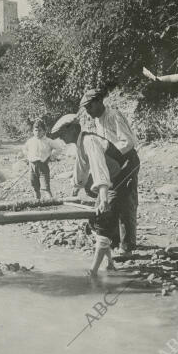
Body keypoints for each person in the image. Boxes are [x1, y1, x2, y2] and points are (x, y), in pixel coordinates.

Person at [51, 114, 137, 277]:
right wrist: (75, 187)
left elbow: (99, 169)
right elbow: (82, 166)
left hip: (123, 171)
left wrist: (103, 197)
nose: (61, 137)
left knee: (104, 217)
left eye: (63, 133)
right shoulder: (80, 143)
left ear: (73, 128)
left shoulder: (89, 141)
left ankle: (93, 271)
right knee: (98, 218)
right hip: (112, 175)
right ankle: (110, 264)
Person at [80, 88, 140, 257]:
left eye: (89, 107)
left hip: (127, 161)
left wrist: (111, 155)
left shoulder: (114, 116)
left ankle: (127, 246)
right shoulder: (98, 121)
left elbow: (129, 142)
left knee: (125, 201)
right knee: (108, 199)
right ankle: (112, 240)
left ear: (99, 102)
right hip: (113, 163)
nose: (88, 111)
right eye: (85, 108)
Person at [23, 119, 63, 200]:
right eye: (36, 130)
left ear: (44, 131)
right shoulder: (30, 141)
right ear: (33, 131)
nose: (37, 132)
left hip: (43, 166)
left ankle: (51, 202)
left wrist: (51, 157)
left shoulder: (48, 141)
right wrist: (28, 157)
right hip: (32, 166)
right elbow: (24, 149)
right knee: (35, 187)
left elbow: (59, 148)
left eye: (40, 130)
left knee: (45, 188)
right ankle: (37, 202)